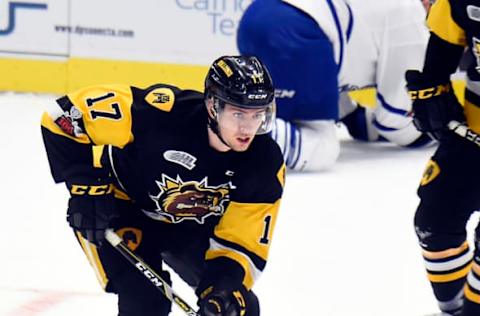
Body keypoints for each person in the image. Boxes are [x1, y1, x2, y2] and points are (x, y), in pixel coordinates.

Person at [41, 55, 285, 316]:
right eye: (238, 113)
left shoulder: (263, 161)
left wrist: (221, 288)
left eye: (258, 115)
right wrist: (87, 190)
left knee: (237, 307)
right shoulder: (162, 115)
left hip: (190, 225)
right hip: (120, 209)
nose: (249, 127)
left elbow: (241, 242)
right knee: (146, 302)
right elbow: (64, 116)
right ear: (213, 106)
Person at [237, 0, 433, 171]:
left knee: (278, 116)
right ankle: (219, 128)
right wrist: (443, 131)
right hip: (295, 30)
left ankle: (225, 120)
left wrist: (357, 120)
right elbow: (395, 121)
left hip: (258, 15)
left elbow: (331, 74)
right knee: (321, 146)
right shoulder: (412, 15)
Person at [406, 0, 480, 315]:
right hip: (472, 133)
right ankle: (455, 309)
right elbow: (437, 64)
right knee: (433, 222)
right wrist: (431, 96)